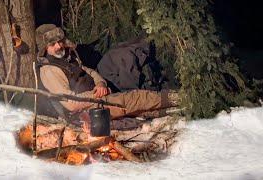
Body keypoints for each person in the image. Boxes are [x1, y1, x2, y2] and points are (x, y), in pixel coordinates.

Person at [36, 24, 178, 119]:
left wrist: (101, 84)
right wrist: (97, 94)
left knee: (136, 105)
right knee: (134, 99)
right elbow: (71, 103)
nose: (59, 46)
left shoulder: (67, 57)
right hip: (87, 110)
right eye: (53, 44)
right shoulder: (49, 70)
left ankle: (171, 109)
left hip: (98, 96)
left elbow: (89, 71)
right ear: (45, 48)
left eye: (60, 41)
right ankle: (177, 98)